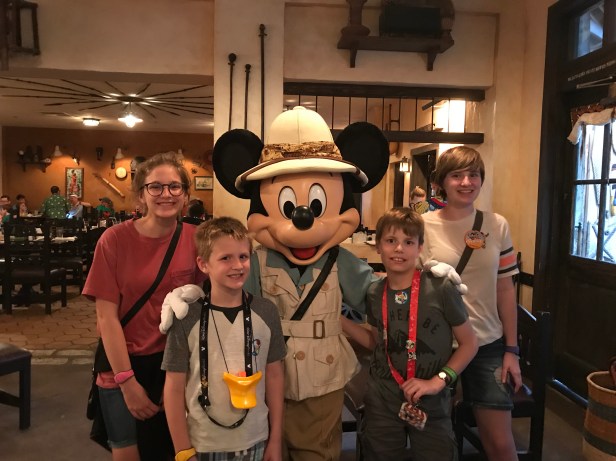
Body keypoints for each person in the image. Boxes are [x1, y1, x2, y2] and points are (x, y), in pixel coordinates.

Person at [82, 152, 205, 461]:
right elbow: (106, 318)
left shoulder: (198, 240)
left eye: (175, 187)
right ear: (140, 195)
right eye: (155, 187)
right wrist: (127, 382)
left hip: (174, 365)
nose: (166, 194)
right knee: (127, 452)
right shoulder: (114, 240)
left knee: (175, 451)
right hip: (121, 364)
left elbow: (205, 305)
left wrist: (179, 377)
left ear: (185, 195)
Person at [341, 207, 477, 461]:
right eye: (391, 241)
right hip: (382, 398)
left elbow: (469, 344)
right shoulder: (375, 293)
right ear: (378, 246)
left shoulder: (441, 288)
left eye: (408, 242)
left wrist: (438, 381)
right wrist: (339, 321)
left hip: (431, 400)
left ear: (420, 247)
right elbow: (376, 341)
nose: (399, 249)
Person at [419, 146, 522, 461]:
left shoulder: (496, 224)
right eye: (457, 175)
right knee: (431, 439)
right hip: (436, 344)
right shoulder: (421, 225)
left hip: (486, 343)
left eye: (473, 175)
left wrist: (511, 350)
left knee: (500, 443)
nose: (466, 182)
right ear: (441, 182)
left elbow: (505, 289)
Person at [161, 217, 286, 461]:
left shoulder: (266, 312)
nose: (237, 265)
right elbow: (174, 387)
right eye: (225, 258)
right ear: (203, 264)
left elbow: (275, 376)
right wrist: (183, 450)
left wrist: (275, 439)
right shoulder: (187, 317)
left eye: (243, 256)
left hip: (256, 439)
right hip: (203, 443)